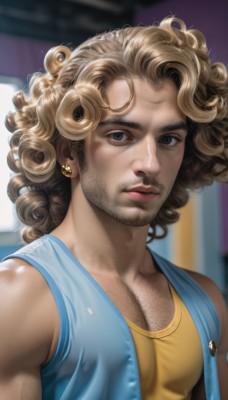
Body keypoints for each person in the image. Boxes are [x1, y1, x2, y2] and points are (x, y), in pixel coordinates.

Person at [0, 15, 228, 400]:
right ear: (67, 151)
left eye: (169, 138)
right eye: (121, 135)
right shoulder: (18, 298)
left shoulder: (206, 300)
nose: (151, 164)